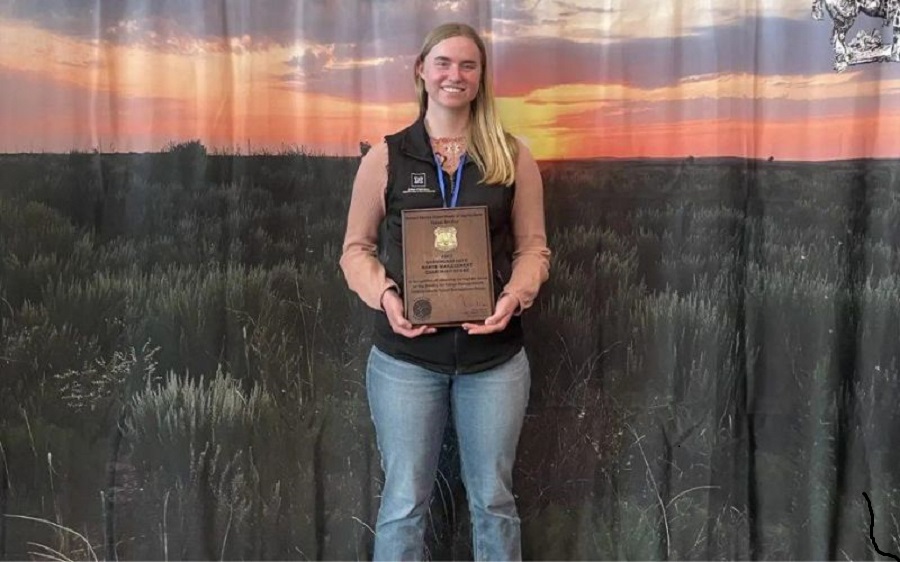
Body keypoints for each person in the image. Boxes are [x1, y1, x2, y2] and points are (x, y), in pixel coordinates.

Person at [339, 21, 550, 561]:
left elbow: (534, 250)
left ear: (481, 78)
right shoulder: (385, 158)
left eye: (468, 65)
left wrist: (515, 297)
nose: (455, 75)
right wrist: (387, 296)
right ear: (422, 71)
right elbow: (355, 250)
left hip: (494, 360)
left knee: (494, 503)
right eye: (444, 63)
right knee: (405, 502)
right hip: (407, 361)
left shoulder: (512, 155)